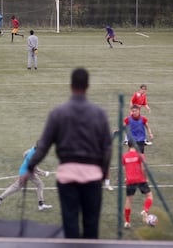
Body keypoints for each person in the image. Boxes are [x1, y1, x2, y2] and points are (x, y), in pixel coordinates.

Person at [26, 68, 112, 239]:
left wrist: (30, 166)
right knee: (91, 223)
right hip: (92, 176)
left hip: (67, 177)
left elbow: (43, 146)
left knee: (70, 222)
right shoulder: (99, 114)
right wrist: (102, 173)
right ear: (88, 86)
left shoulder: (58, 113)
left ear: (71, 85)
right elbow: (107, 149)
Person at [0, 142, 52, 211]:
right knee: (17, 187)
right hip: (26, 173)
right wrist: (44, 173)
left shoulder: (32, 149)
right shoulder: (33, 155)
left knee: (38, 184)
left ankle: (41, 204)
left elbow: (24, 154)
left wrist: (27, 161)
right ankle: (0, 198)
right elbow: (35, 169)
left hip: (26, 171)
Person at [122, 140, 153, 229]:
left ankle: (127, 222)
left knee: (128, 201)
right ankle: (145, 210)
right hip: (140, 179)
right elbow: (144, 168)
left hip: (130, 180)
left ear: (128, 145)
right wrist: (146, 178)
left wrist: (126, 178)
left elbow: (126, 167)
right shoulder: (141, 155)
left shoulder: (124, 156)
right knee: (149, 196)